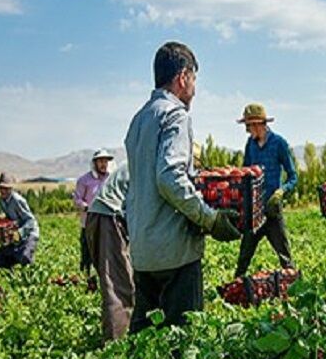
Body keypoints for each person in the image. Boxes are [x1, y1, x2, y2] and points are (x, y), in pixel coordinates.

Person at [124, 41, 241, 332]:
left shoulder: (139, 119)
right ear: (183, 77)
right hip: (174, 252)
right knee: (183, 348)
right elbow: (169, 177)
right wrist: (210, 219)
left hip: (143, 249)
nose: (194, 89)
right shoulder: (175, 115)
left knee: (145, 347)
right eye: (195, 80)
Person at [233, 103, 297, 277]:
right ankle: (232, 293)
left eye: (248, 125)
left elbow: (293, 177)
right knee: (243, 259)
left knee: (285, 258)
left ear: (258, 124)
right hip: (254, 212)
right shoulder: (250, 145)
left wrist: (281, 192)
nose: (247, 130)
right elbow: (245, 173)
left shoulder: (279, 144)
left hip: (272, 211)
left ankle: (295, 291)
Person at [86, 158, 135, 340]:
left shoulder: (141, 156)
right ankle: (115, 348)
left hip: (104, 215)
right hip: (109, 217)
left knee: (120, 278)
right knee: (117, 284)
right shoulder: (155, 162)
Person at [74, 148, 112, 274]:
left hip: (106, 223)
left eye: (105, 161)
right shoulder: (84, 180)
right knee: (87, 254)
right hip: (88, 223)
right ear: (95, 163)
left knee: (106, 254)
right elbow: (77, 200)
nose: (103, 164)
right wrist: (87, 207)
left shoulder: (110, 179)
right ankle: (86, 280)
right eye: (100, 161)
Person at [0, 173, 39, 269]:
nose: (3, 190)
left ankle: (31, 280)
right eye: (1, 188)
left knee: (25, 257)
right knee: (0, 256)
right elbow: (10, 219)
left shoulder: (17, 200)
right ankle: (11, 280)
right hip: (15, 235)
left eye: (5, 188)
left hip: (29, 234)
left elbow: (30, 220)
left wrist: (20, 233)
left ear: (10, 189)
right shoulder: (2, 201)